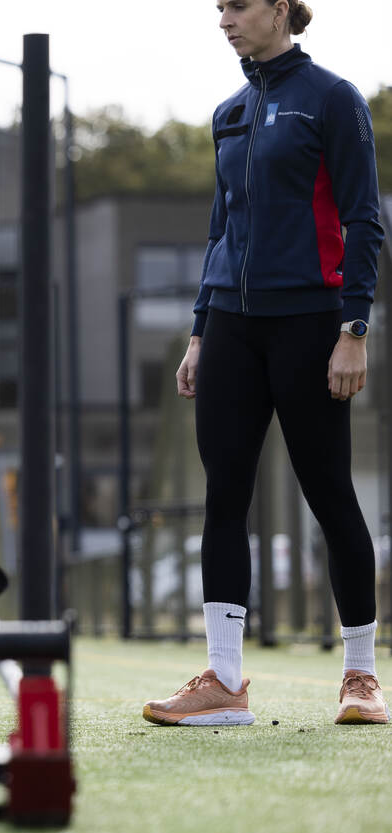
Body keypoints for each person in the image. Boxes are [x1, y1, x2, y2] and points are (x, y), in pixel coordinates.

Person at [144, 0, 386, 726]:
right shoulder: (229, 111)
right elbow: (223, 227)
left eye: (239, 6)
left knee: (329, 492)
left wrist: (355, 327)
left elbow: (364, 217)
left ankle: (362, 676)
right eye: (219, 8)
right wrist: (197, 334)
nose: (224, 19)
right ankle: (223, 680)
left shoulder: (332, 99)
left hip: (311, 322)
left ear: (282, 9)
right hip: (229, 325)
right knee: (225, 493)